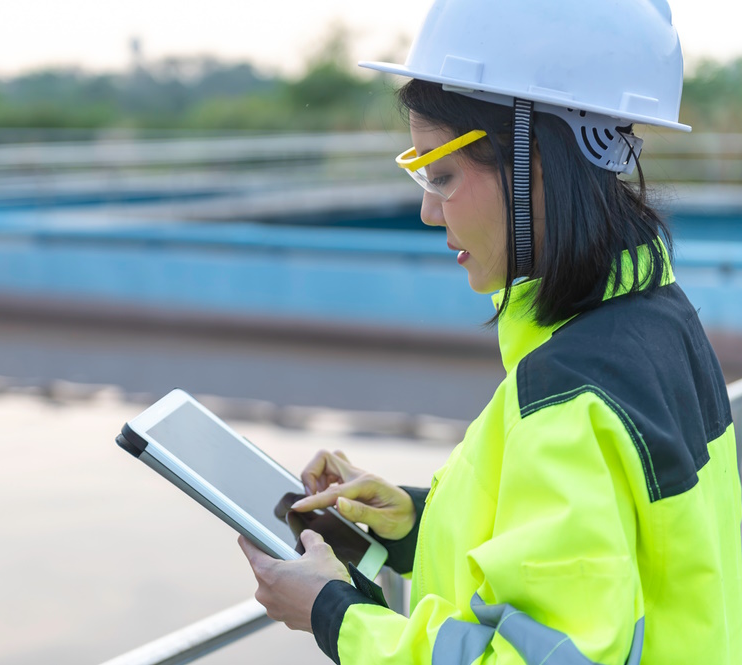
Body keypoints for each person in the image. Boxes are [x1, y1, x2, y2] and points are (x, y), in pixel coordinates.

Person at [237, 0, 742, 663]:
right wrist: (414, 519)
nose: (426, 208)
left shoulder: (567, 394)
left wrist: (336, 612)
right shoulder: (655, 315)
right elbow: (610, 554)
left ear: (538, 159)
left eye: (440, 173)